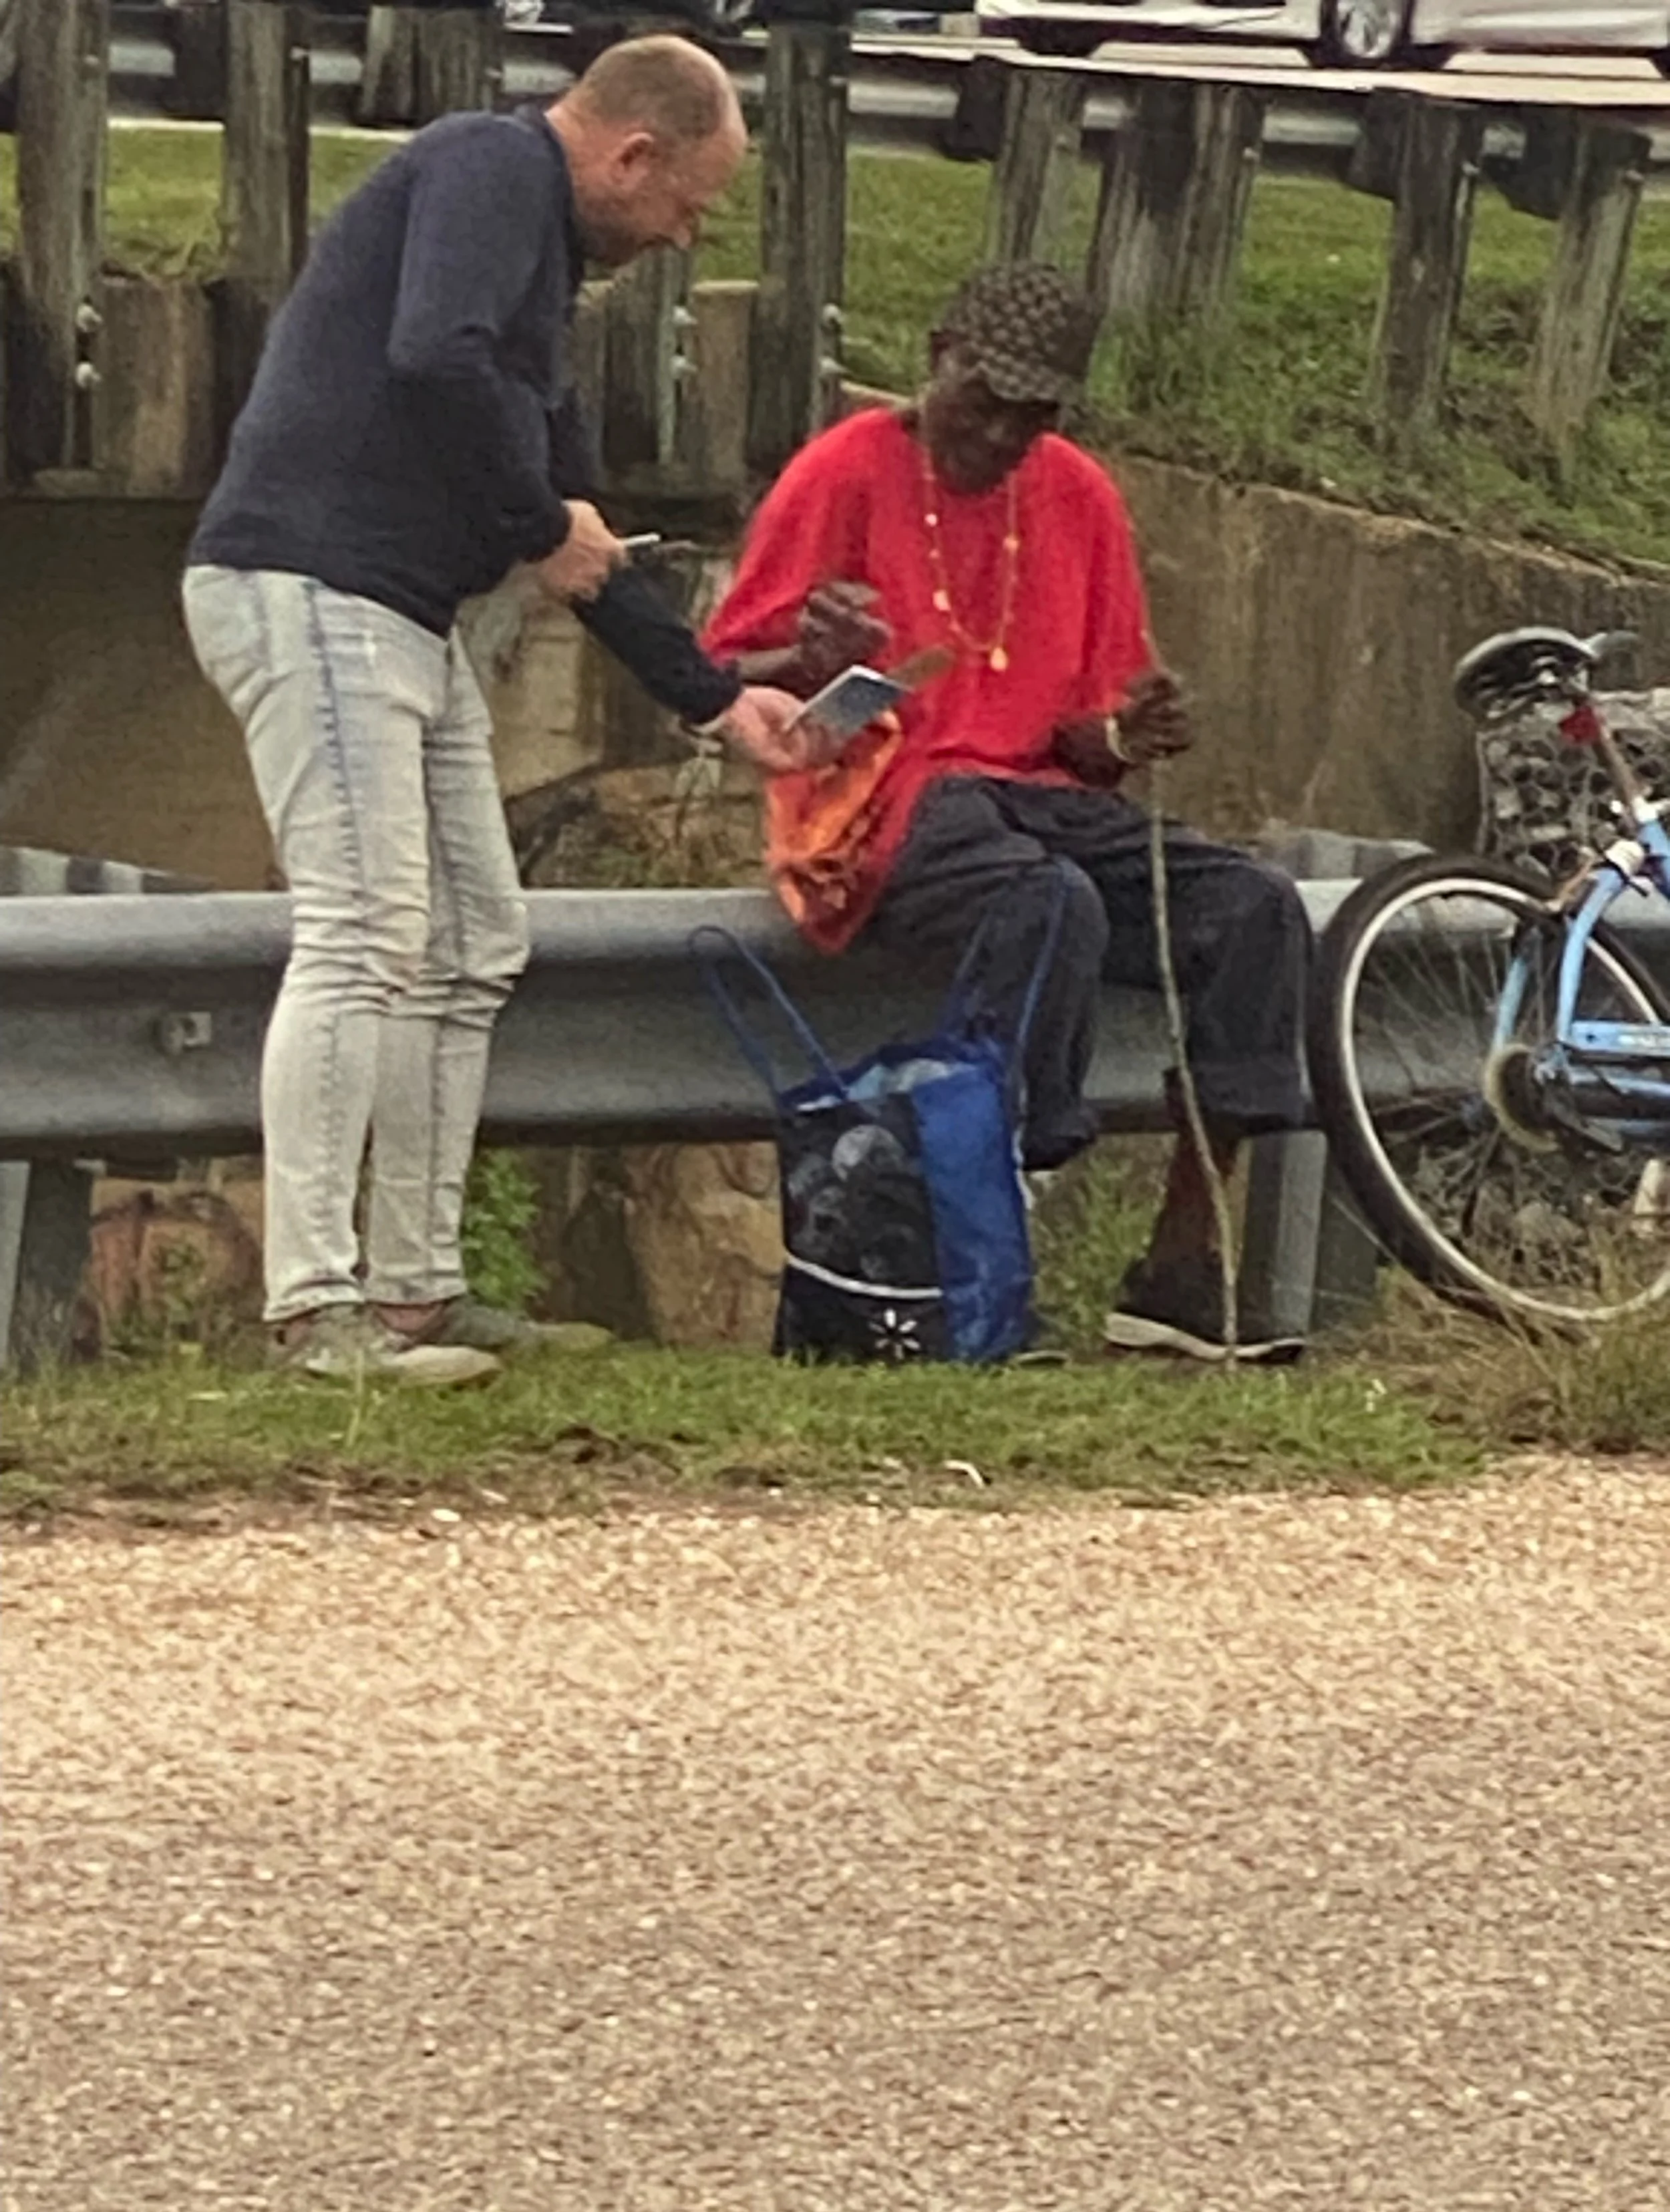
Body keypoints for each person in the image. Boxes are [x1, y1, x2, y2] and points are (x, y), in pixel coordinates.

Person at [182, 37, 808, 1385]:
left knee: (472, 937)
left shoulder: (541, 275)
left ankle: (416, 1289)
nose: (685, 236)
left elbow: (575, 521)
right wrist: (532, 520)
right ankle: (313, 1307)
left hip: (408, 618)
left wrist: (716, 700)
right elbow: (432, 357)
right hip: (314, 587)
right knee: (364, 933)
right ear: (633, 153)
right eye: (687, 204)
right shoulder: (488, 166)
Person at [703, 263, 1314, 1362]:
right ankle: (983, 1255)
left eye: (1029, 417)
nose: (997, 434)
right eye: (982, 400)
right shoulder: (843, 470)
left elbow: (1089, 741)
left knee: (1255, 910)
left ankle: (1181, 1266)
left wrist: (1134, 732)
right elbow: (721, 681)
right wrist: (808, 656)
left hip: (1036, 798)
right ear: (939, 357)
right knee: (1048, 904)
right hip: (884, 799)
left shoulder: (1076, 493)